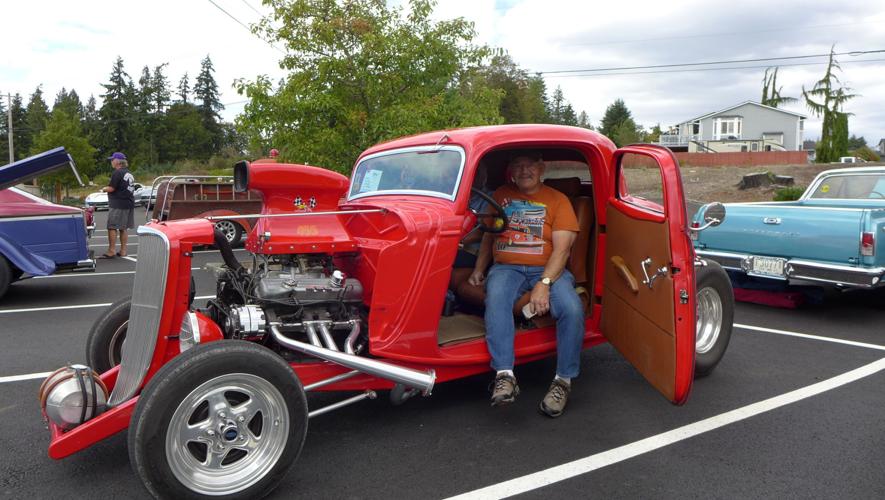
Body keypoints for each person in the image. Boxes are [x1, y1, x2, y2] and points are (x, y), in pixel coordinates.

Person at [468, 151, 583, 417]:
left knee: (572, 309)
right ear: (511, 171)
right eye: (517, 166)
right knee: (496, 298)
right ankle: (505, 375)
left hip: (548, 269)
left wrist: (544, 283)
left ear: (541, 168)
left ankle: (563, 381)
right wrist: (478, 269)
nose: (524, 171)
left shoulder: (558, 200)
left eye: (529, 166)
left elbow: (562, 251)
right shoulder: (500, 195)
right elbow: (489, 235)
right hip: (506, 268)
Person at [99, 152, 136, 259]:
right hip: (128, 203)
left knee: (112, 227)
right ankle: (123, 250)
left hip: (118, 204)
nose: (111, 161)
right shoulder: (129, 173)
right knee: (123, 228)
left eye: (112, 160)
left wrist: (103, 189)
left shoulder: (117, 173)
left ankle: (111, 250)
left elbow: (112, 188)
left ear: (118, 161)